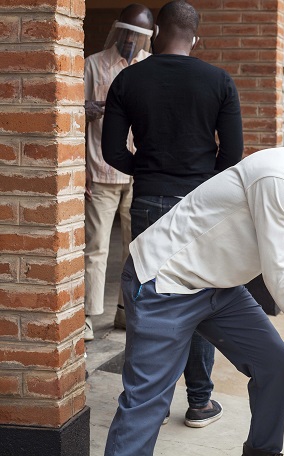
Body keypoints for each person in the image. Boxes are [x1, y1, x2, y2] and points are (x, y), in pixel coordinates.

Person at [102, 109, 284, 456]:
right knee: (149, 400)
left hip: (218, 287)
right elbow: (281, 277)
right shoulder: (283, 177)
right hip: (166, 282)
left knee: (277, 366)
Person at [101, 0, 244, 428]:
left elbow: (111, 151)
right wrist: (203, 183)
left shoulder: (128, 79)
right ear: (194, 38)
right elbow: (233, 155)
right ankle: (199, 402)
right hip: (200, 208)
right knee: (197, 298)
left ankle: (153, 404)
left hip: (148, 202)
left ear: (157, 33)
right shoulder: (219, 81)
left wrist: (147, 170)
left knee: (147, 302)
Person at [83, 3, 153, 341]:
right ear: (118, 29)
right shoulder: (94, 65)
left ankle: (126, 314)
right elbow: (72, 117)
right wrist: (87, 111)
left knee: (135, 249)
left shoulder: (150, 66)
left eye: (138, 36)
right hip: (101, 170)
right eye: (127, 32)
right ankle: (86, 317)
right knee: (95, 248)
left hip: (139, 175)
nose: (131, 41)